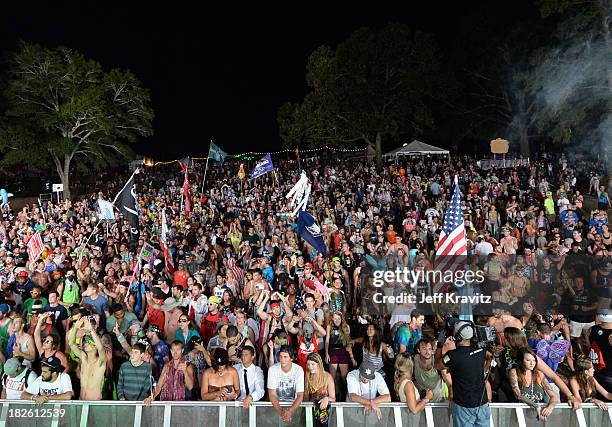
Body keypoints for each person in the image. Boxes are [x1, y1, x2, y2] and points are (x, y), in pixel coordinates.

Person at [435, 321, 490, 427]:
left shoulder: (453, 356)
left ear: (457, 337)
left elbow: (437, 365)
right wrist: (484, 370)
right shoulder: (481, 350)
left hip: (463, 406)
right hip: (482, 403)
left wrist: (440, 344)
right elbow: (490, 356)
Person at [508, 347, 558, 421]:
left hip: (539, 416)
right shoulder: (514, 372)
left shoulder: (539, 374)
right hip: (520, 415)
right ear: (521, 361)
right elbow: (518, 395)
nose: (532, 363)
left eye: (534, 360)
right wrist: (536, 406)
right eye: (528, 360)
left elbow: (554, 396)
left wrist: (550, 407)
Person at [68, 316, 107, 399]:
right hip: (81, 400)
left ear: (95, 346)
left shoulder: (100, 362)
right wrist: (75, 327)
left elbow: (100, 348)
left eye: (89, 342)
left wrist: (91, 330)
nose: (85, 343)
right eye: (86, 342)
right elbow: (71, 343)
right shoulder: (83, 358)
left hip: (94, 403)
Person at [267, 345, 305, 424]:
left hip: (294, 408)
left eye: (285, 357)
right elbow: (272, 395)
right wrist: (282, 413)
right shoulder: (272, 370)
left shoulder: (298, 370)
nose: (282, 359)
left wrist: (290, 412)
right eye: (280, 356)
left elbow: (300, 395)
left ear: (291, 358)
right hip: (276, 408)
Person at [304, 353, 335, 427]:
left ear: (319, 364)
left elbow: (333, 398)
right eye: (308, 364)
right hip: (311, 409)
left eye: (312, 364)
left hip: (325, 411)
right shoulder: (308, 377)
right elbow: (305, 396)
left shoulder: (328, 377)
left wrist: (327, 398)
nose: (310, 367)